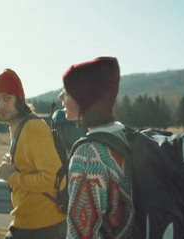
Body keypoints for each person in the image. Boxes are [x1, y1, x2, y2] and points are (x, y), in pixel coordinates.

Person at [0, 68, 66, 239]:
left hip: (42, 227)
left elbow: (53, 179)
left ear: (19, 100)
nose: (0, 106)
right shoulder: (17, 126)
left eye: (7, 98)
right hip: (31, 222)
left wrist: (12, 176)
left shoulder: (32, 128)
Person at [58, 57, 135, 238]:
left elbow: (81, 232)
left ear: (85, 100)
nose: (60, 97)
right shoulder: (126, 135)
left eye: (67, 93)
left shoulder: (87, 153)